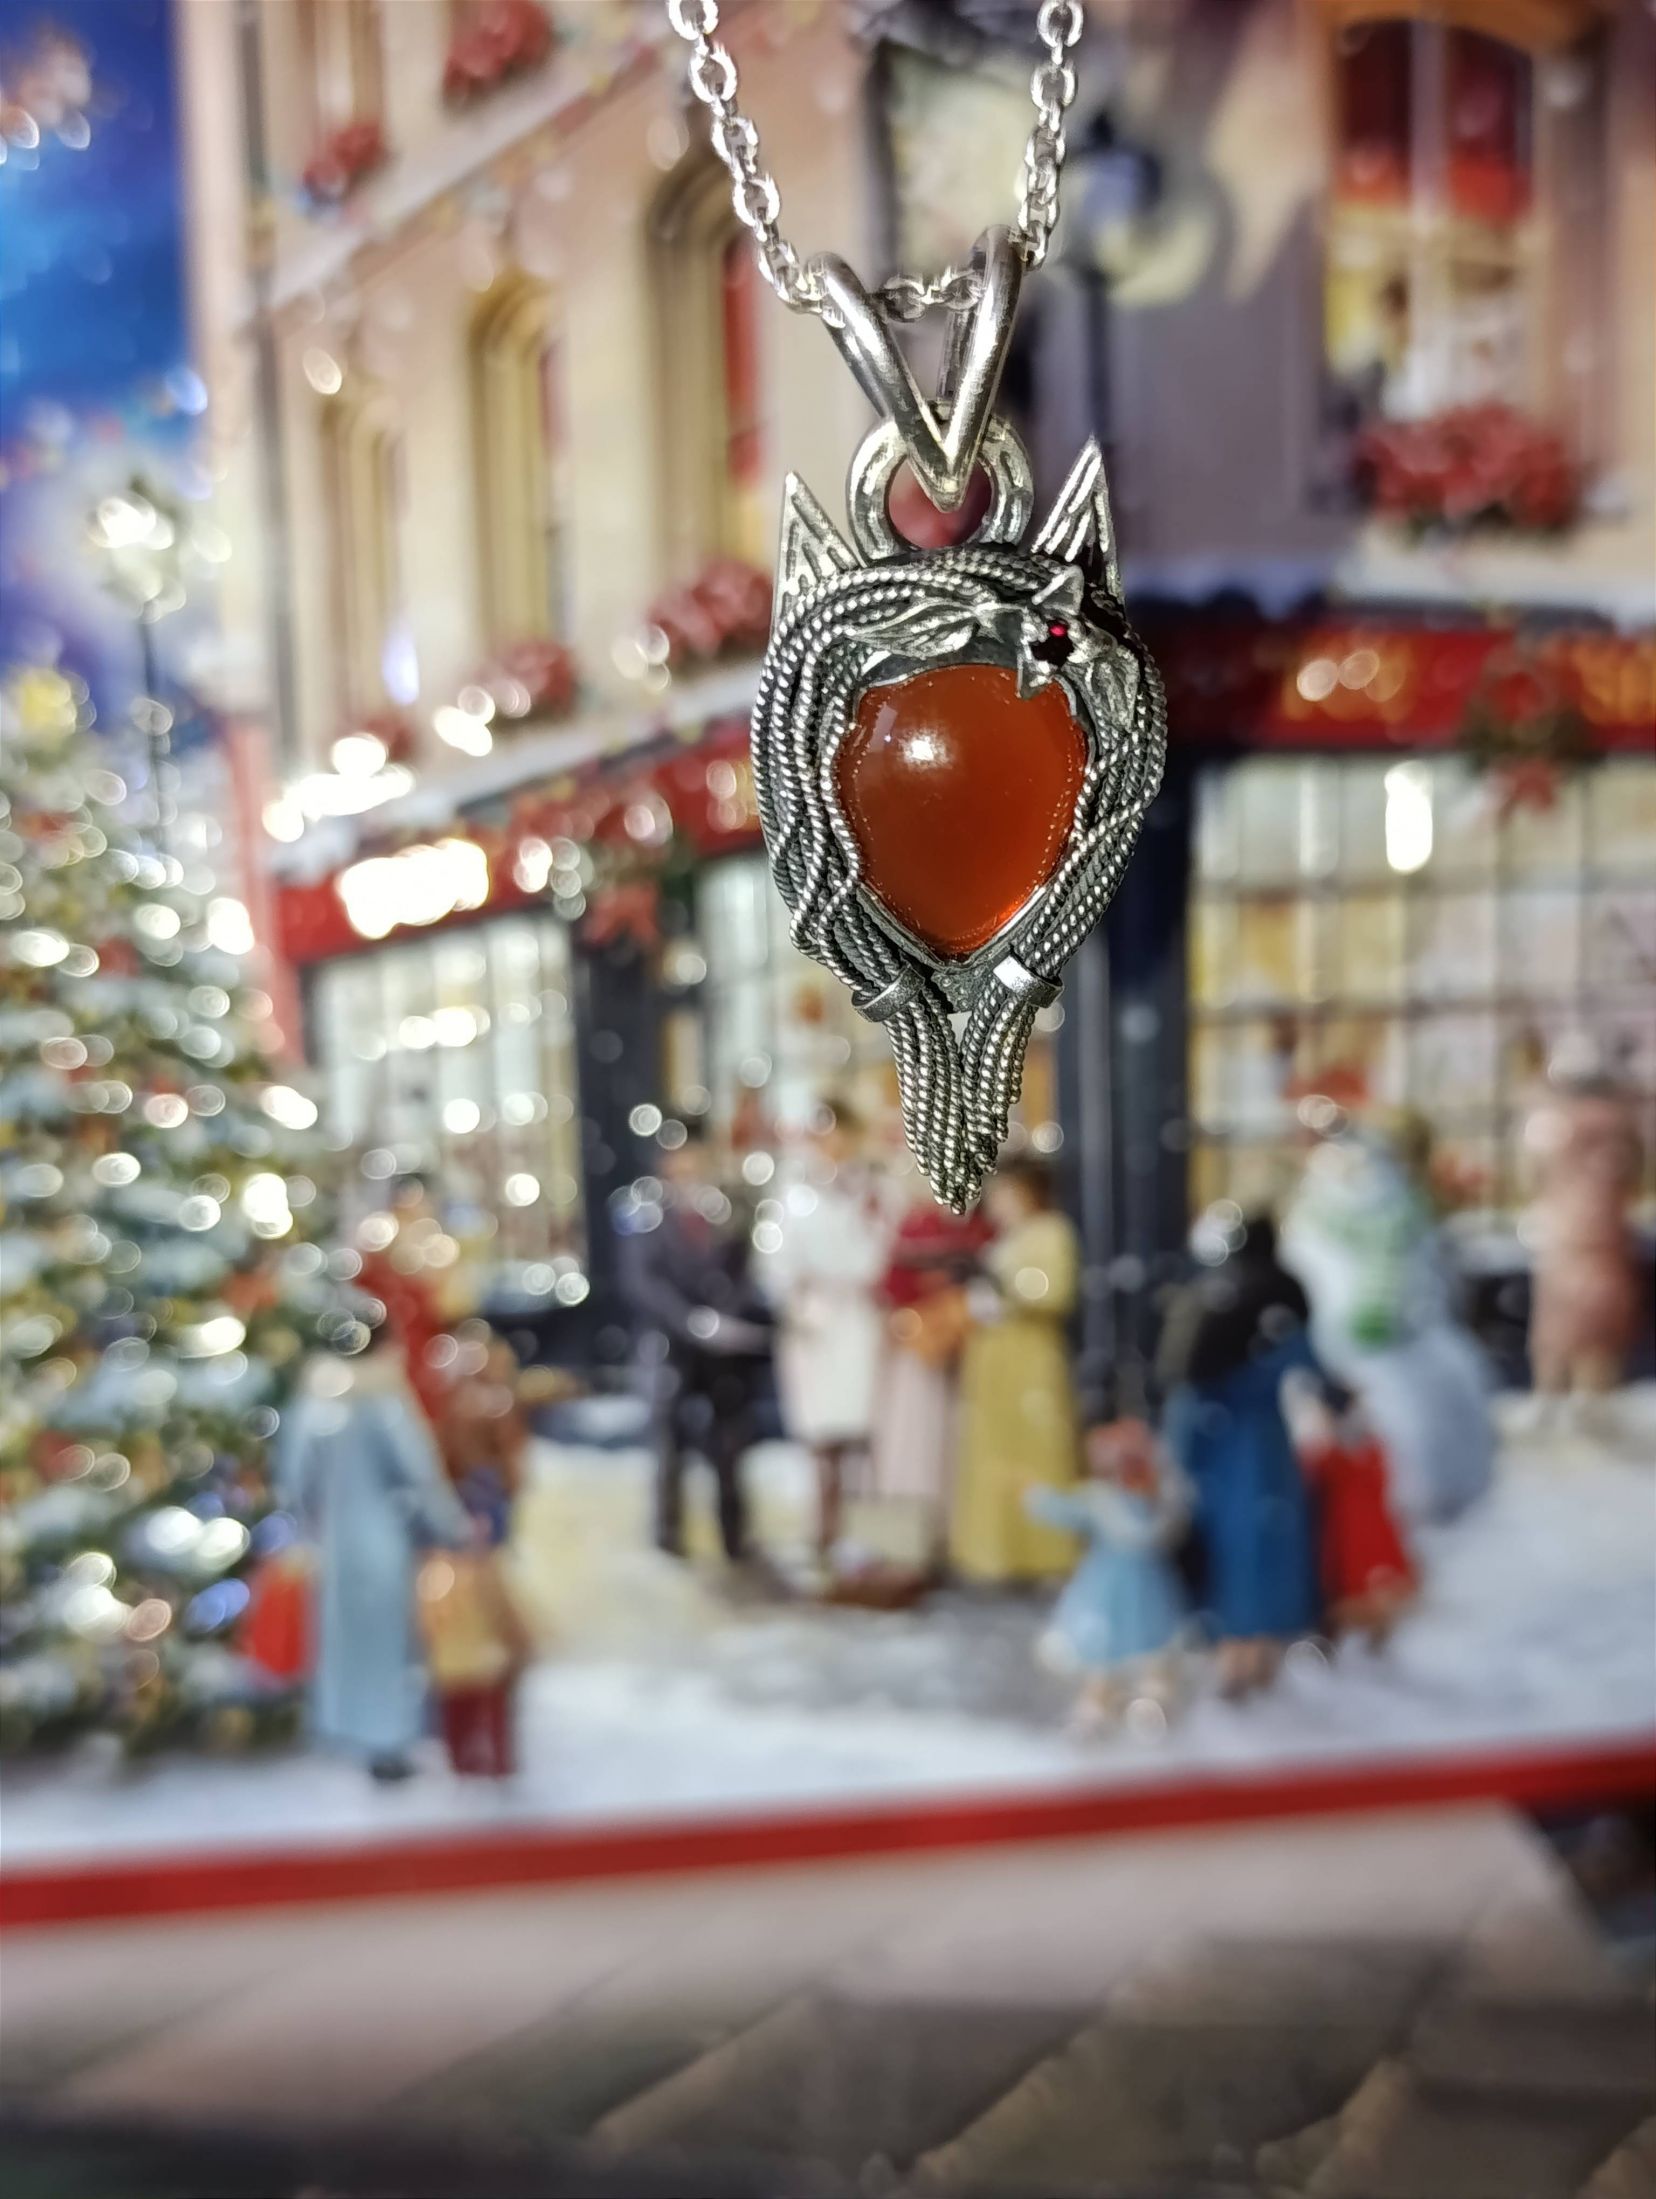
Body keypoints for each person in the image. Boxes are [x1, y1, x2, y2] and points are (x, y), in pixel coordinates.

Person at [278, 1312, 468, 1780]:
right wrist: (450, 1527)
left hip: (334, 1540)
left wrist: (306, 1525)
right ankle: (388, 1741)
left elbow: (295, 1477)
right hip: (386, 1536)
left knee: (342, 1638)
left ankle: (342, 1728)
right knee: (388, 1643)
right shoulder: (385, 1401)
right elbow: (419, 1474)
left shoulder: (315, 1400)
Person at [1158, 1208, 1322, 1697]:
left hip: (1211, 1439)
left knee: (1226, 1546)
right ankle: (1257, 1655)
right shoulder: (1279, 1292)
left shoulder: (1210, 1293)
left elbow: (1181, 1377)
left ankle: (1230, 1651)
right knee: (1261, 1548)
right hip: (1257, 1443)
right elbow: (1306, 1363)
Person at [616, 1126, 771, 1565]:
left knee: (729, 1445)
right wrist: (687, 1320)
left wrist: (725, 1316)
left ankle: (734, 1535)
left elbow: (745, 1270)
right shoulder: (646, 1213)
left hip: (722, 1353)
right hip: (670, 1346)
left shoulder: (727, 1208)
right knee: (668, 1447)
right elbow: (641, 1281)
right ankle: (668, 1536)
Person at [761, 1100, 887, 1564]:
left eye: (839, 1133)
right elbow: (775, 1264)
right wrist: (795, 1302)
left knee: (863, 1430)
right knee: (819, 1436)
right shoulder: (793, 1195)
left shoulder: (874, 1189)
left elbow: (884, 1251)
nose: (831, 1144)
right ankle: (823, 1529)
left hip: (861, 1319)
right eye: (822, 1134)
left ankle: (865, 1532)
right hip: (814, 1320)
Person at [950, 1158, 1082, 1585]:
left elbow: (1054, 1290)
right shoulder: (1005, 1239)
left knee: (1038, 1445)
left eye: (1007, 1193)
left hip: (1031, 1356)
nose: (998, 1203)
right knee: (994, 1451)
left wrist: (1004, 1286)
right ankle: (996, 1553)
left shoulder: (1052, 1232)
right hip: (995, 1357)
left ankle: (1046, 1553)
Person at [1026, 1417, 1191, 1731]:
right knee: (1132, 1646)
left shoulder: (1112, 1501)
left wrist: (1039, 1498)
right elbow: (1068, 1510)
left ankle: (1131, 1699)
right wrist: (1043, 1501)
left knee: (1122, 1647)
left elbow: (1067, 1510)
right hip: (1133, 1588)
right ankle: (1115, 1699)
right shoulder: (1127, 1502)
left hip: (1124, 1587)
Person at [870, 1191, 989, 1573]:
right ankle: (912, 1537)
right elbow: (892, 1284)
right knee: (913, 1443)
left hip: (968, 1354)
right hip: (918, 1353)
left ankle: (956, 1535)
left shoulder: (980, 1225)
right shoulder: (916, 1223)